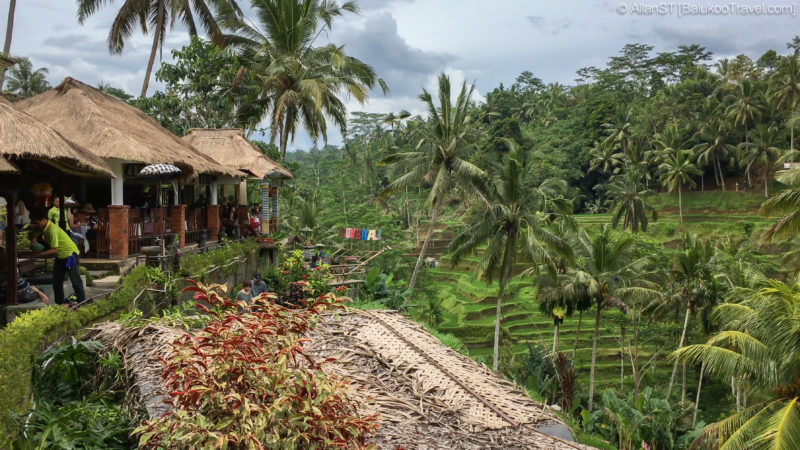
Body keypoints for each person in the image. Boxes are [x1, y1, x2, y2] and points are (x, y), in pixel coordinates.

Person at [29, 207, 85, 305]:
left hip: (70, 255)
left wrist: (39, 254)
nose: (35, 225)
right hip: (60, 257)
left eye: (37, 223)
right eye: (34, 223)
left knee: (75, 280)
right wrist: (33, 239)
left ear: (44, 220)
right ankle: (60, 304)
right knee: (56, 282)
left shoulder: (51, 229)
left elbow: (55, 250)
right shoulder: (41, 227)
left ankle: (82, 303)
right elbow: (33, 234)